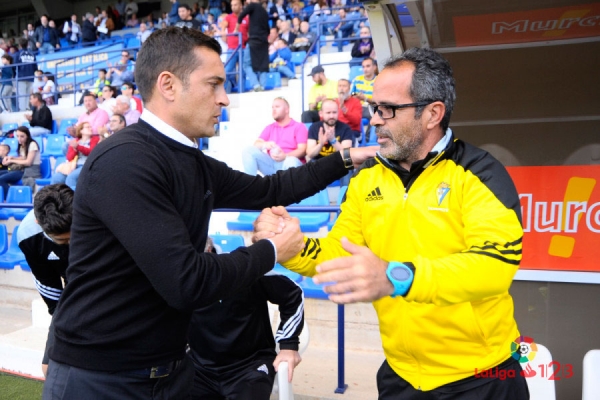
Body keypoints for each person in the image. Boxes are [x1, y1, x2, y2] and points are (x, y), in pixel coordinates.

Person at [42, 26, 375, 399]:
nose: (225, 99)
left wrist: (346, 159)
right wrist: (272, 250)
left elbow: (271, 188)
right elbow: (186, 282)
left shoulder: (192, 162)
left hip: (170, 370)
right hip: (102, 377)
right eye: (213, 84)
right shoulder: (126, 160)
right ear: (168, 85)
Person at [255, 47, 528, 399]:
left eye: (388, 109)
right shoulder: (367, 178)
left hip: (482, 375)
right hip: (401, 374)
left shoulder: (480, 172)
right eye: (374, 108)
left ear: (432, 114)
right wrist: (293, 246)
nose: (375, 119)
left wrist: (397, 276)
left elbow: (493, 266)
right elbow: (342, 251)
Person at [189, 247, 304, 399]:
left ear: (209, 250)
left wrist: (288, 345)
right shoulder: (180, 276)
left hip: (249, 367)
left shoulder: (242, 266)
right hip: (199, 368)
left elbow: (293, 294)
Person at [17, 184, 74, 376]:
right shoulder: (28, 235)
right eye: (62, 241)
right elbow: (49, 288)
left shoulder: (97, 220)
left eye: (71, 238)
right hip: (68, 287)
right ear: (38, 222)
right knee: (49, 368)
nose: (69, 243)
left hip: (99, 280)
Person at [242, 97, 307, 176]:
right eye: (272, 107)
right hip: (272, 164)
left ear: (287, 110)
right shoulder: (270, 127)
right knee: (248, 150)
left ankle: (288, 187)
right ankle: (250, 185)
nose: (274, 110)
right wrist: (265, 144)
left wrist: (285, 156)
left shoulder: (299, 126)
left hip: (290, 162)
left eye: (277, 107)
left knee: (291, 161)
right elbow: (256, 144)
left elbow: (302, 150)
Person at [51, 122, 99, 190]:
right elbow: (69, 157)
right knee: (56, 178)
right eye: (87, 127)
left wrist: (78, 147)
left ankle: (71, 199)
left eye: (90, 127)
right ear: (81, 130)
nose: (90, 128)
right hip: (74, 166)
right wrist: (74, 149)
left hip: (86, 165)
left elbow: (91, 152)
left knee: (71, 178)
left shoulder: (95, 139)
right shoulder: (76, 141)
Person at [237, 0, 270, 92]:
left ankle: (255, 84)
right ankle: (262, 86)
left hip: (254, 40)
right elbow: (268, 30)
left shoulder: (252, 6)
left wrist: (236, 29)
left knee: (246, 64)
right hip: (263, 41)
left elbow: (241, 16)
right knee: (263, 64)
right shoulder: (264, 11)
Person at [0, 126, 41, 196]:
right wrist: (11, 158)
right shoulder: (22, 145)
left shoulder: (32, 144)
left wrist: (12, 161)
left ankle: (11, 197)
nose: (19, 138)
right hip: (22, 169)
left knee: (1, 179)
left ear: (27, 136)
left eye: (22, 136)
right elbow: (23, 157)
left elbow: (28, 162)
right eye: (18, 136)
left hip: (28, 171)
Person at [221, 0, 248, 93]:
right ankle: (224, 94)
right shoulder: (229, 17)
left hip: (243, 48)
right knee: (226, 72)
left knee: (243, 72)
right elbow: (223, 25)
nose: (233, 7)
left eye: (235, 5)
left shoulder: (247, 17)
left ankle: (242, 93)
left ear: (241, 5)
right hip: (232, 48)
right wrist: (223, 33)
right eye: (232, 5)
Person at [351, 56, 377, 120]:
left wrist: (365, 98)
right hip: (357, 106)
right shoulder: (357, 79)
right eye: (363, 67)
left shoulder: (379, 80)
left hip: (372, 107)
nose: (365, 69)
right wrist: (356, 95)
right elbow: (351, 93)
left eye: (368, 66)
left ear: (374, 67)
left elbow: (379, 101)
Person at [15, 38, 37, 112]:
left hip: (21, 77)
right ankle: (27, 108)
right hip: (30, 76)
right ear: (28, 44)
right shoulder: (32, 54)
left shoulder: (18, 54)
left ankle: (22, 110)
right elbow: (35, 67)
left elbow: (15, 66)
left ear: (20, 45)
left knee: (22, 94)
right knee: (27, 94)